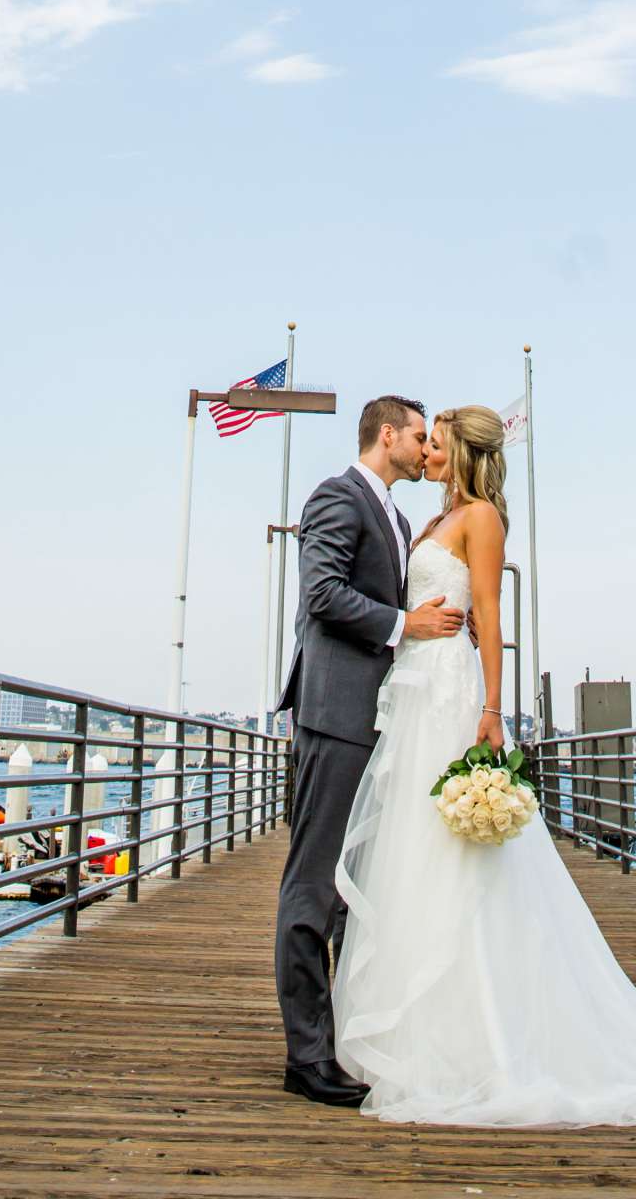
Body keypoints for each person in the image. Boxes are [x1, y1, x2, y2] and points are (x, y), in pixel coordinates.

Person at [332, 405, 636, 1127]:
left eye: (436, 444)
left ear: (461, 453)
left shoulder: (482, 521)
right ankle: (417, 1028)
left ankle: (485, 1035)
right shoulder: (429, 523)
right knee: (413, 848)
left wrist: (492, 712)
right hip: (412, 690)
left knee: (462, 858)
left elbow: (491, 619)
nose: (427, 453)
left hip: (452, 693)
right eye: (424, 442)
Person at [274, 395, 467, 1107]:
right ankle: (306, 1058)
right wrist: (404, 624)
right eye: (419, 437)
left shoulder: (401, 516)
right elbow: (322, 595)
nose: (426, 448)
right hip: (333, 715)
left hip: (382, 720)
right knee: (312, 886)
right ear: (388, 435)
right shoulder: (336, 497)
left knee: (359, 888)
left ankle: (346, 1041)